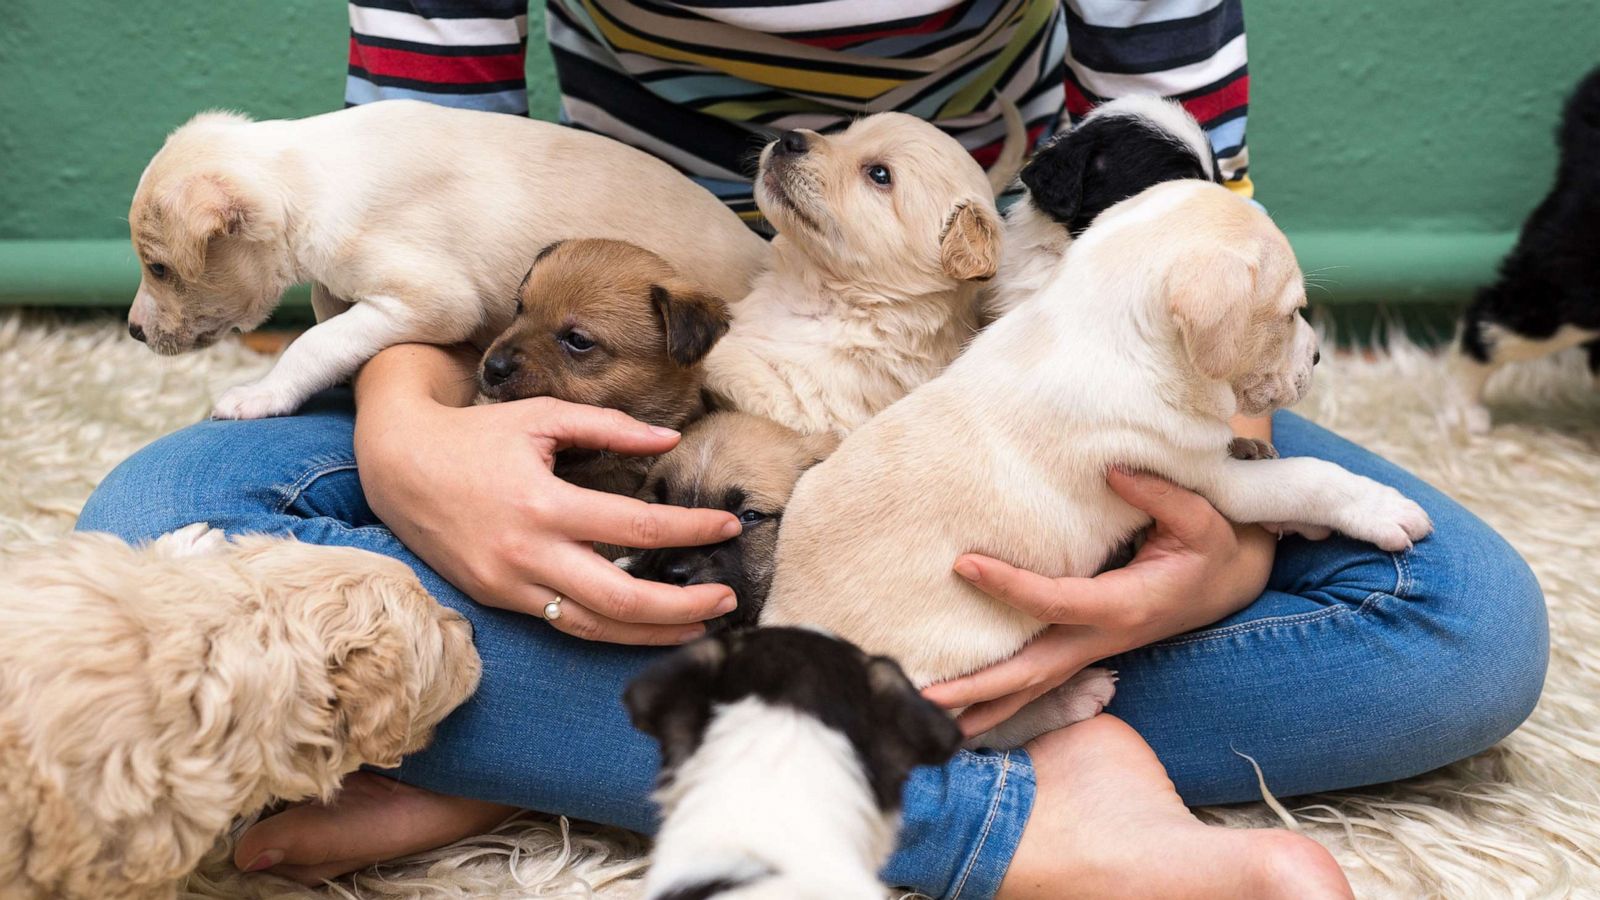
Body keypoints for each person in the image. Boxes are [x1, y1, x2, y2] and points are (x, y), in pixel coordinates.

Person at [76, 2, 1548, 897]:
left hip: (1033, 342)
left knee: (1465, 626)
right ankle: (1013, 793)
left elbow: (1197, 223)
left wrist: (1210, 541)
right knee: (160, 510)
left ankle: (577, 738)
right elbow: (419, 171)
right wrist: (411, 449)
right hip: (595, 325)